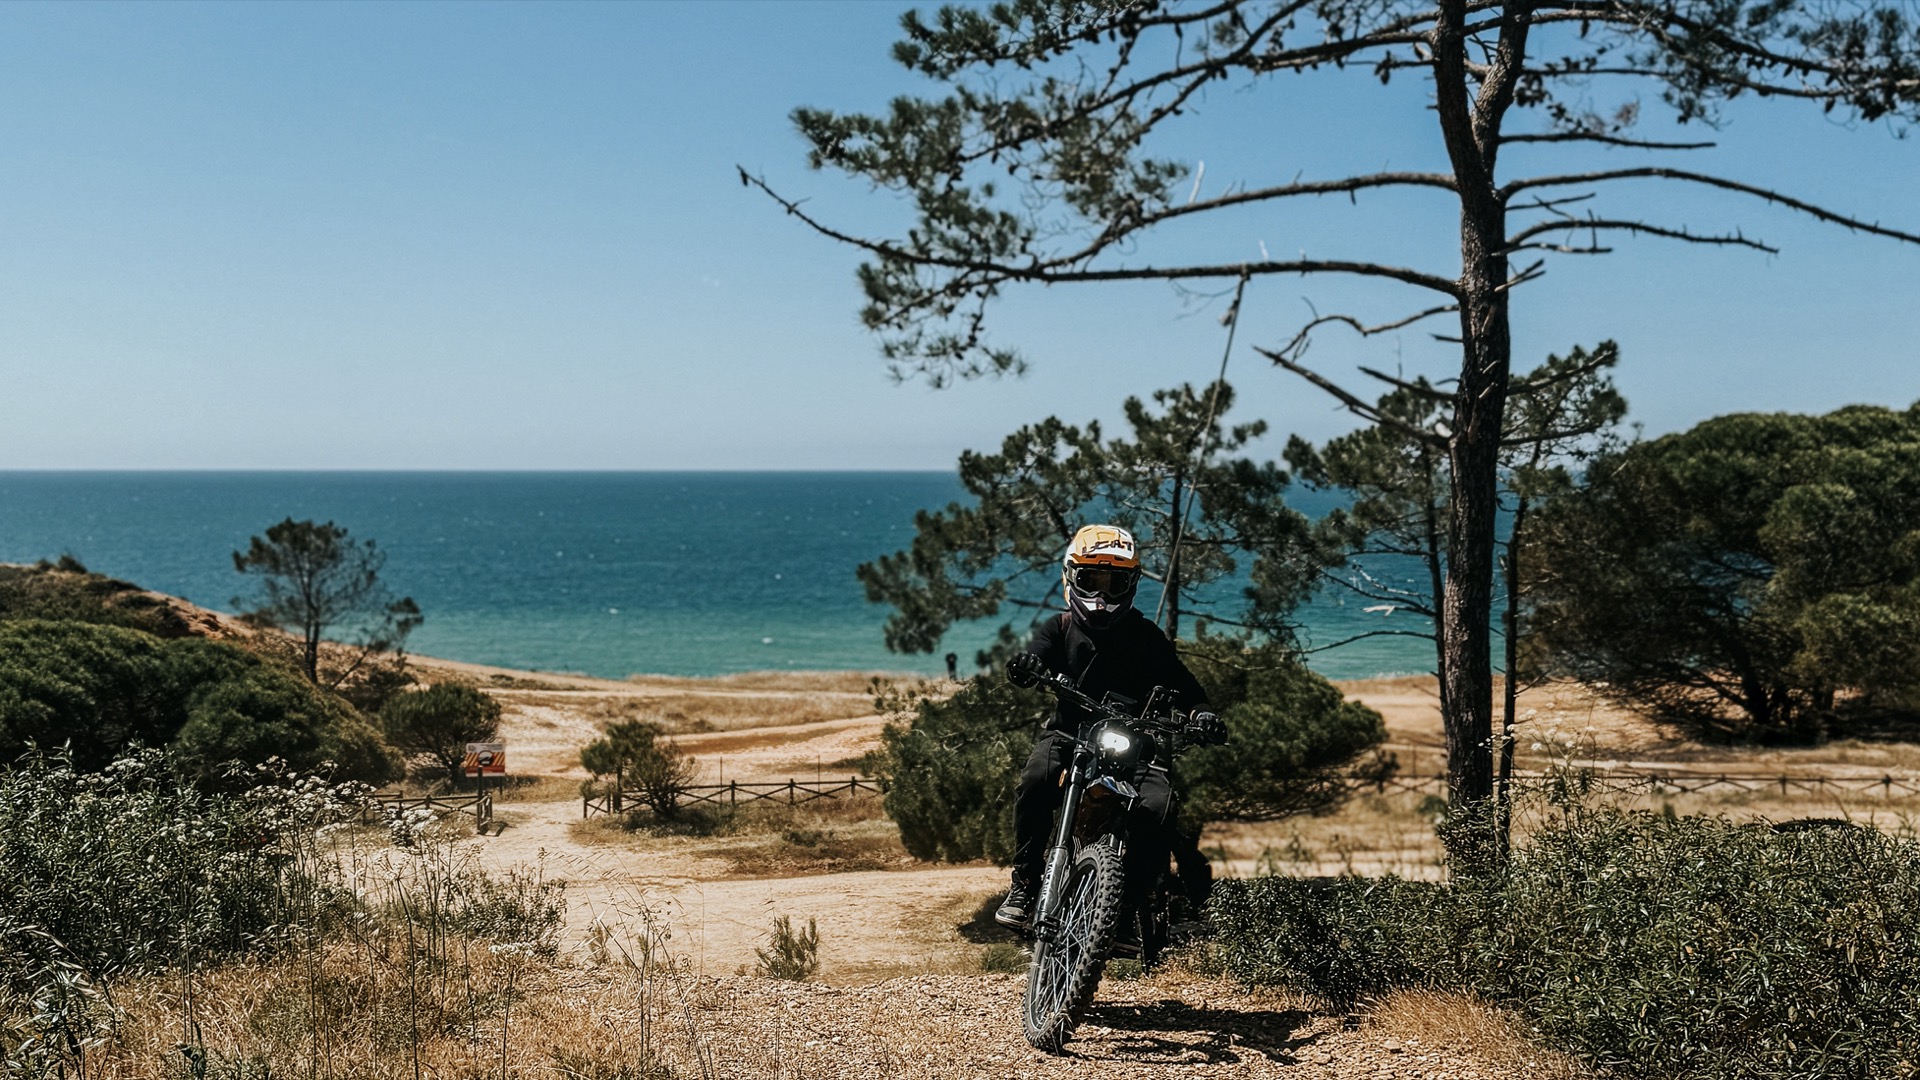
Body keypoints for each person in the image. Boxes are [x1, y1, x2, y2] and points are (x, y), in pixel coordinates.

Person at [994, 524, 1225, 931]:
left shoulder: (1147, 637)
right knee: (1036, 780)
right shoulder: (1059, 628)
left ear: (1131, 585)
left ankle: (1128, 905)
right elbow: (1033, 658)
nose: (1101, 595)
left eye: (1114, 583)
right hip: (1068, 734)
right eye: (1091, 580)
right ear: (1071, 578)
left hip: (1133, 745)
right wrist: (1025, 667)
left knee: (1159, 807)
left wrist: (1202, 714)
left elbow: (1188, 686)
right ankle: (1025, 882)